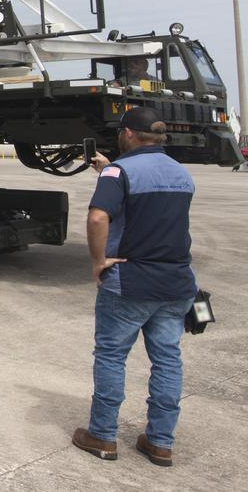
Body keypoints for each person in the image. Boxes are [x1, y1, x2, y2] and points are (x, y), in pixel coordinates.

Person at [72, 107, 197, 468]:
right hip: (176, 285)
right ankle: (160, 442)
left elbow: (99, 216)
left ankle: (103, 436)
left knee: (112, 356)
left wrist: (98, 261)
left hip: (131, 283)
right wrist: (110, 169)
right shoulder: (181, 173)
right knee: (168, 361)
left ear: (128, 134)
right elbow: (149, 201)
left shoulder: (118, 172)